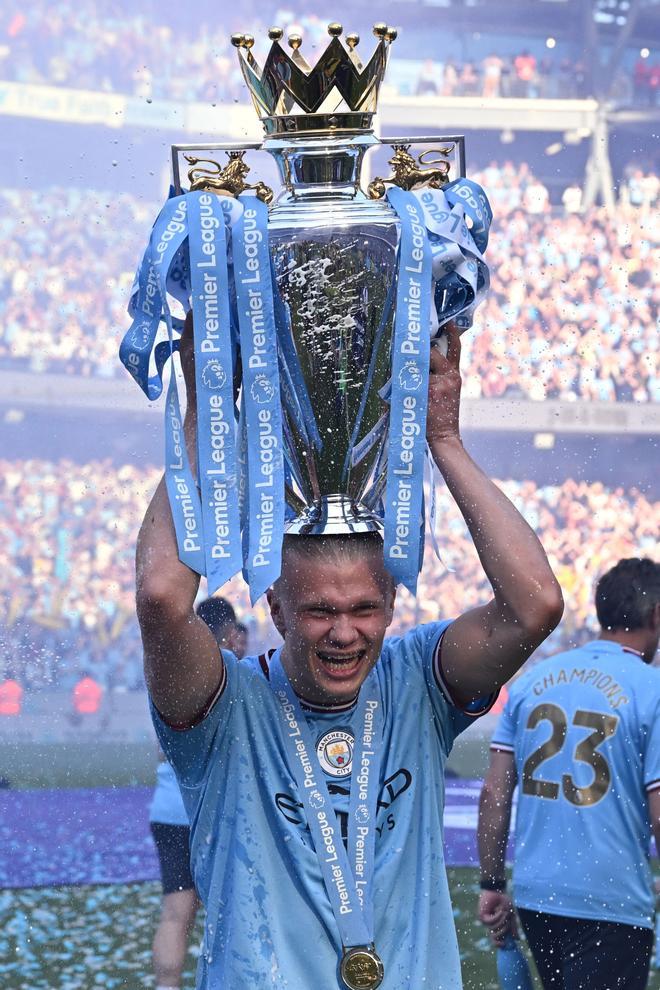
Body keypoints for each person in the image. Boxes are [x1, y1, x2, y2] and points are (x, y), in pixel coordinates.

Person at [135, 317, 563, 988]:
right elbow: (162, 598)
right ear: (274, 607)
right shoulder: (225, 709)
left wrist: (443, 441)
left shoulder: (417, 681)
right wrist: (208, 412)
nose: (344, 632)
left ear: (392, 605)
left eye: (364, 608)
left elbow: (535, 604)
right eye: (319, 611)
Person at [477, 557, 660, 990]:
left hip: (539, 895)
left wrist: (491, 881)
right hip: (609, 898)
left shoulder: (532, 681)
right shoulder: (651, 689)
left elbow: (494, 793)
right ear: (656, 615)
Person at [149, 594, 240, 990]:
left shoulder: (170, 667)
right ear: (231, 632)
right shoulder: (230, 673)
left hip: (169, 807)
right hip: (214, 810)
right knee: (233, 912)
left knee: (175, 913)